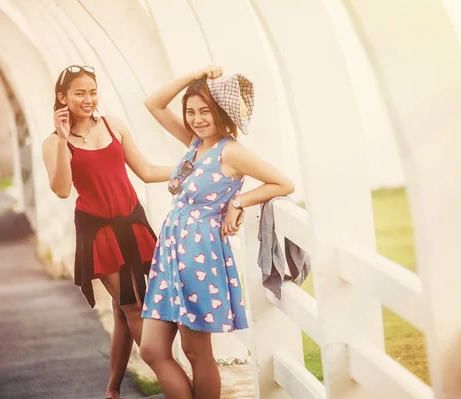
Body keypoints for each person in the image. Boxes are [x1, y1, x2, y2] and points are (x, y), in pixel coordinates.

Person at [139, 66, 295, 399]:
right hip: (170, 252)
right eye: (191, 111)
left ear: (221, 112)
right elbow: (153, 104)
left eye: (204, 111)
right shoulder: (195, 143)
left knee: (196, 352)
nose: (196, 119)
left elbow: (283, 183)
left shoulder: (231, 151)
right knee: (152, 349)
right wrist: (194, 76)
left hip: (199, 255)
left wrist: (239, 201)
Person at [42, 65, 173, 399]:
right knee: (133, 306)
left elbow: (145, 171)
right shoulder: (54, 143)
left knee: (121, 311)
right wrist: (61, 140)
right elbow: (61, 189)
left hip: (134, 223)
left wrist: (193, 166)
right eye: (79, 93)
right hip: (100, 234)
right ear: (62, 98)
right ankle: (167, 371)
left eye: (92, 92)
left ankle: (112, 390)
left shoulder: (114, 125)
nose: (88, 99)